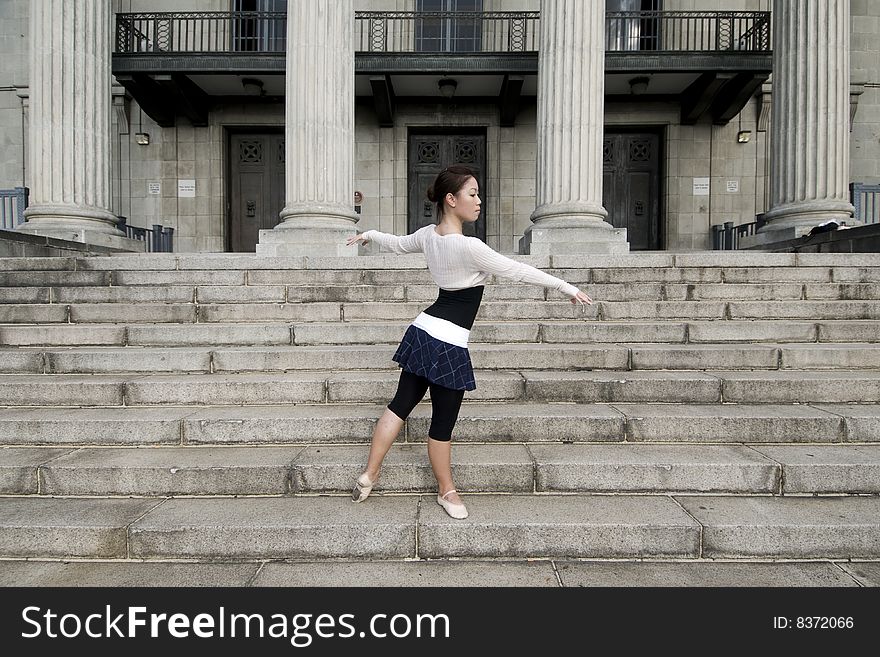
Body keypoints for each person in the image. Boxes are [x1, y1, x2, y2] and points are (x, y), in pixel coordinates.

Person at [345, 165, 592, 519]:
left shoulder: (429, 236)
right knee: (441, 423)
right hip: (447, 342)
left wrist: (368, 233)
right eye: (472, 194)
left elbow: (396, 244)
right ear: (451, 199)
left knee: (400, 405)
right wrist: (567, 287)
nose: (478, 201)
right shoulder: (470, 246)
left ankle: (369, 475)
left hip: (422, 329)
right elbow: (520, 271)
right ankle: (447, 492)